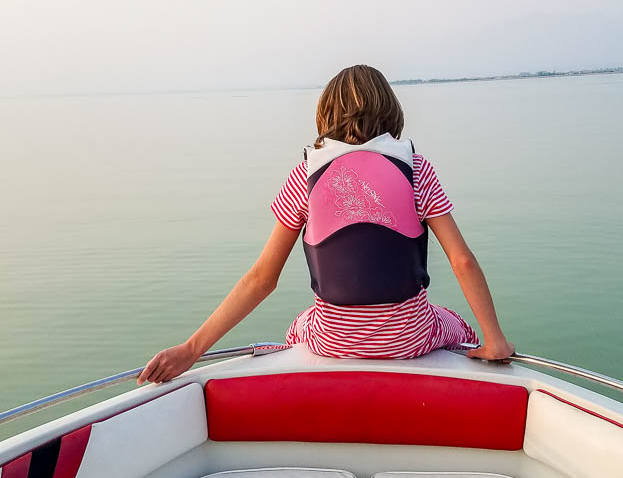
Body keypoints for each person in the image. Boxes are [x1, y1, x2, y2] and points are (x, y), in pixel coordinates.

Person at [137, 65, 514, 385]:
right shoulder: (417, 170)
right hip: (408, 339)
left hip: (331, 341)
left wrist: (191, 349)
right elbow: (462, 261)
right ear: (391, 113)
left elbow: (261, 280)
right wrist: (494, 339)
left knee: (299, 324)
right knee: (458, 324)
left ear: (326, 115)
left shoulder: (305, 176)